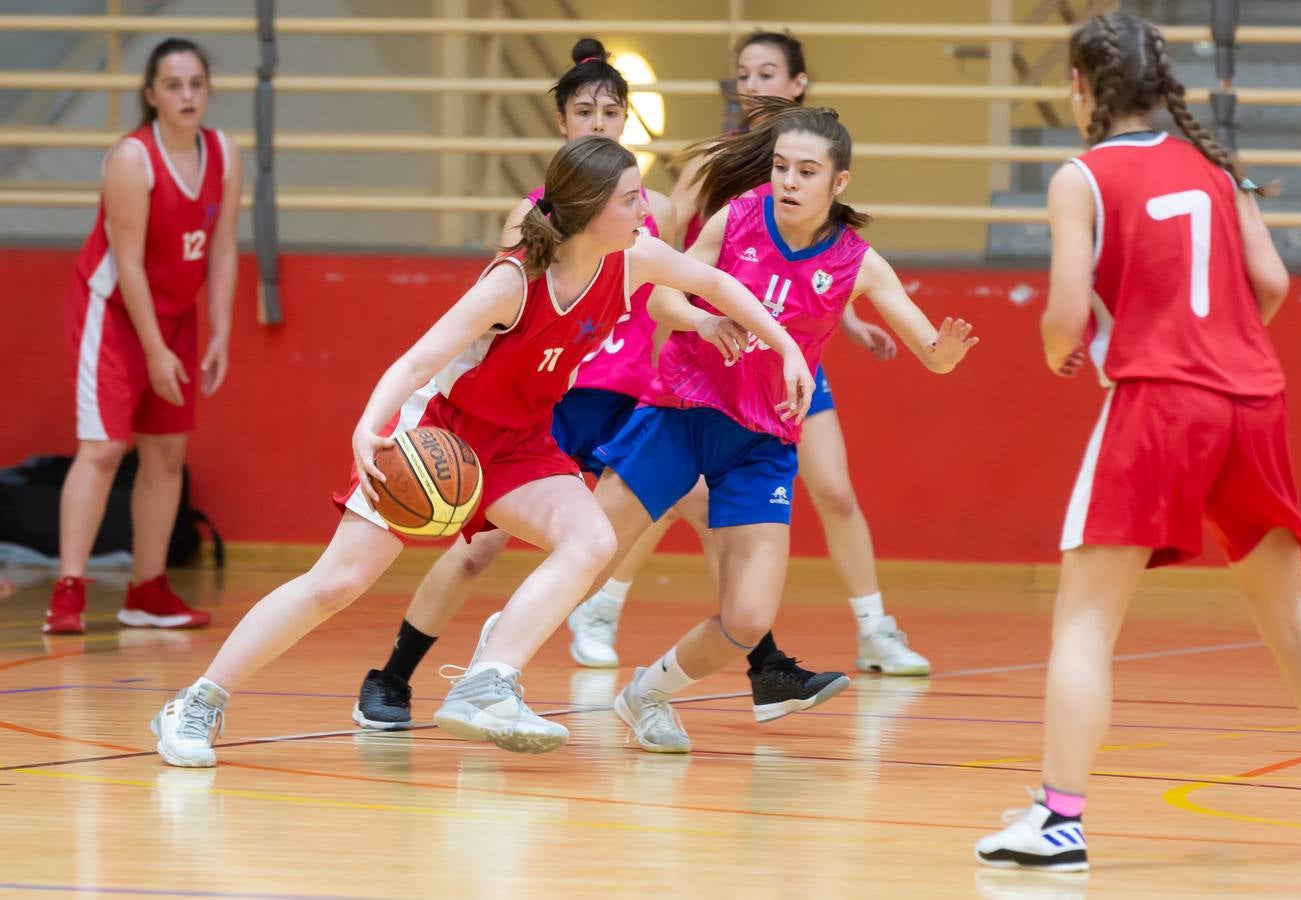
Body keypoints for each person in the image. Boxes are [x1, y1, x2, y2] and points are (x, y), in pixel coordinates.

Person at [149, 135, 814, 767]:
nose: (645, 208)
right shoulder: (511, 284)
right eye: (630, 198)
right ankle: (197, 701)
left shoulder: (633, 257)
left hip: (519, 440)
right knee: (340, 582)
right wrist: (366, 428)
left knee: (590, 538)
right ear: (587, 212)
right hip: (439, 429)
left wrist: (784, 346)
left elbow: (718, 285)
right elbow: (415, 363)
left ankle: (487, 682)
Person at [974, 12, 1301, 872]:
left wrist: (1061, 346)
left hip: (1162, 402)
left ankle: (1059, 819)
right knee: (1289, 614)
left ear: (1082, 89)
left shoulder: (1081, 177)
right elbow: (1272, 284)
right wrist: (1225, 344)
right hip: (1253, 399)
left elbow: (1064, 313)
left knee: (1085, 624)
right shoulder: (1214, 164)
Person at [348, 38, 716, 731]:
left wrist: (701, 318)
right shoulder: (536, 215)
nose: (600, 122)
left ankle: (740, 655)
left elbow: (665, 292)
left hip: (624, 390)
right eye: (585, 111)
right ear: (563, 124)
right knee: (479, 545)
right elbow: (499, 318)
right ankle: (395, 674)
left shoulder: (649, 205)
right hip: (547, 396)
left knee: (691, 498)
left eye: (612, 110)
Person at [591, 99, 977, 752]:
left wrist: (945, 354)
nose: (789, 182)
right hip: (684, 409)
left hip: (763, 442)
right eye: (780, 168)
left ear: (839, 183)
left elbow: (927, 349)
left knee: (747, 617)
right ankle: (495, 667)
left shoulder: (858, 262)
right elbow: (660, 294)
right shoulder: (737, 218)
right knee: (587, 553)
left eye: (806, 171)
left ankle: (645, 695)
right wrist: (704, 321)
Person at [43, 38, 241, 635]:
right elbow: (127, 264)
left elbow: (224, 247)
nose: (186, 95)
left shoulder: (224, 153)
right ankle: (69, 589)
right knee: (103, 449)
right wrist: (154, 352)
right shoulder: (132, 159)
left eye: (196, 84)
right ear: (151, 95)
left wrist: (222, 330)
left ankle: (148, 590)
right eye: (174, 85)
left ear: (207, 90)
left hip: (176, 315)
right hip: (114, 313)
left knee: (167, 453)